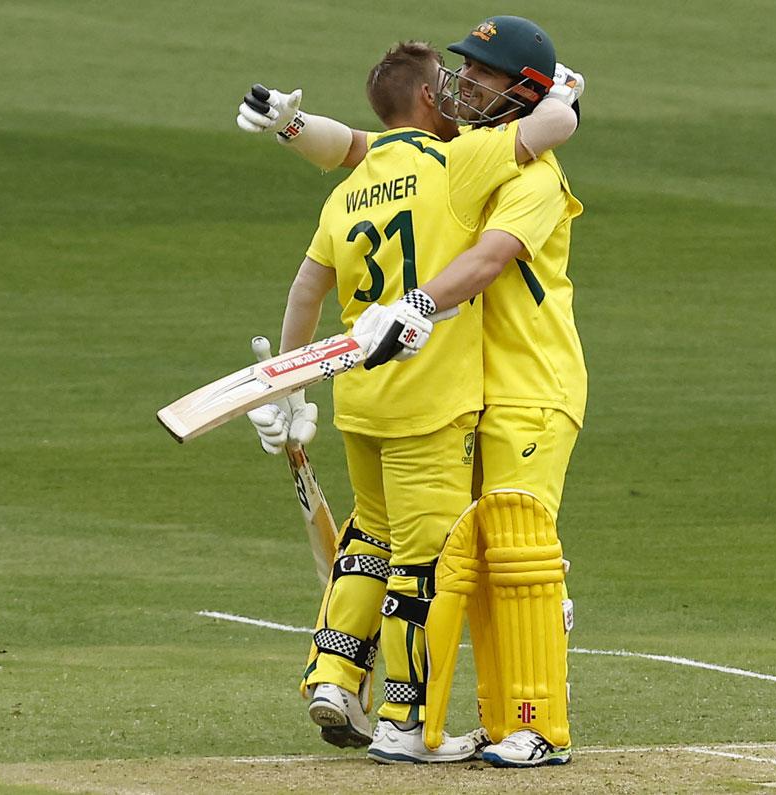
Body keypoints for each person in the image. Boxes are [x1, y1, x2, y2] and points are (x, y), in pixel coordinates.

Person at [242, 39, 579, 764]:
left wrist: (291, 379)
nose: (461, 89)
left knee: (405, 542)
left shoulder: (373, 183)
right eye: (455, 78)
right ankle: (413, 717)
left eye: (481, 77)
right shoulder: (460, 162)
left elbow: (318, 271)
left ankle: (350, 678)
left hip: (492, 387)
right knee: (431, 560)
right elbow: (540, 128)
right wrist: (558, 101)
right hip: (444, 393)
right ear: (430, 99)